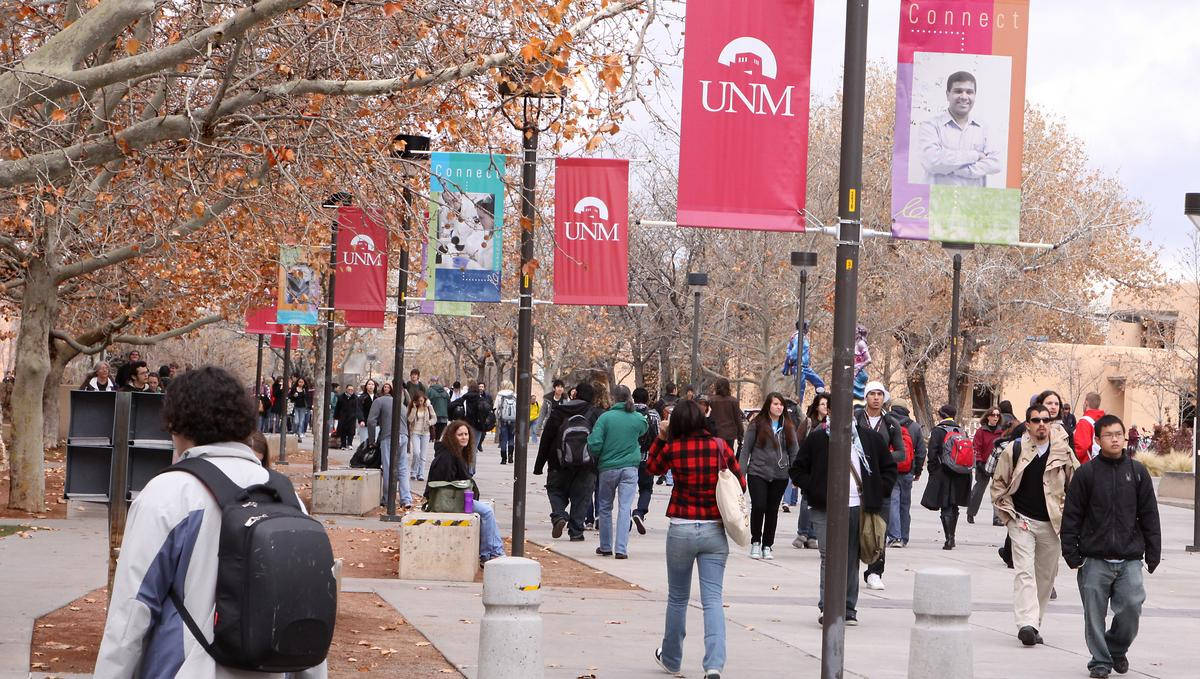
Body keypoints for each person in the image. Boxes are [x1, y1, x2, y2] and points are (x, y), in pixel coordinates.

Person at [95, 366, 326, 678]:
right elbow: (303, 600)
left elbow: (132, 611)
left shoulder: (168, 493)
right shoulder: (285, 494)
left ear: (177, 423)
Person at [645, 399, 745, 679]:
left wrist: (662, 438)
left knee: (677, 598)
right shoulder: (719, 446)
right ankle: (713, 664)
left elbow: (652, 468)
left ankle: (672, 658)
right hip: (714, 528)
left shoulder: (674, 448)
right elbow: (741, 483)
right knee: (713, 599)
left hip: (681, 526)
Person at [1061, 414, 1161, 679]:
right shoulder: (1086, 474)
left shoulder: (1138, 473)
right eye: (1109, 435)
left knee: (1131, 607)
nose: (1115, 439)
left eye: (1119, 434)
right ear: (1097, 440)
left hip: (1129, 558)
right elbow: (1072, 515)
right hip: (1094, 558)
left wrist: (1153, 551)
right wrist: (1071, 552)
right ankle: (1100, 662)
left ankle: (1116, 647)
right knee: (1094, 615)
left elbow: (1149, 513)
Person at [790, 392, 896, 625]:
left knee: (850, 558)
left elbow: (889, 470)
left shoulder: (869, 439)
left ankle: (848, 607)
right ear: (829, 413)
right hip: (825, 508)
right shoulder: (818, 439)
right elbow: (797, 470)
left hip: (858, 507)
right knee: (829, 557)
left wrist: (878, 491)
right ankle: (827, 606)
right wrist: (816, 489)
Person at [991, 403, 1079, 647]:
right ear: (1028, 425)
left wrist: (1073, 519)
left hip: (1052, 524)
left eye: (1046, 420)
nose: (1042, 424)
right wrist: (1008, 517)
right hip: (1022, 522)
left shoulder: (1063, 452)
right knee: (1024, 572)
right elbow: (998, 484)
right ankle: (1025, 624)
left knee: (1045, 577)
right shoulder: (1014, 449)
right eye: (1036, 420)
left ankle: (1034, 622)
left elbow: (1078, 486)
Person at [428, 421, 505, 564]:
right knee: (487, 511)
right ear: (452, 436)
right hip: (447, 500)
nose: (464, 437)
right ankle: (494, 552)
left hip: (455, 497)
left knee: (486, 509)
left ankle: (488, 552)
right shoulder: (447, 456)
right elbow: (444, 484)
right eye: (460, 435)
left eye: (466, 434)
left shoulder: (457, 453)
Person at [533, 382, 602, 541]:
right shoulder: (595, 414)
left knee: (555, 490)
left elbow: (546, 439)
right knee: (581, 496)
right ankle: (576, 531)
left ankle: (558, 516)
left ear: (575, 394)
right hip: (587, 465)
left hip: (558, 462)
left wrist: (539, 465)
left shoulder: (559, 411)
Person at [854, 381, 905, 589]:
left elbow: (901, 453)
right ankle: (849, 569)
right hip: (856, 479)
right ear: (865, 397)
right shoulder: (856, 419)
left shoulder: (891, 422)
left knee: (878, 528)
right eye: (872, 394)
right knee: (853, 525)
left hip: (880, 481)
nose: (876, 398)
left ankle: (875, 571)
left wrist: (881, 458)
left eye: (879, 394)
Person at [587, 386, 647, 559]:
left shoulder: (605, 418)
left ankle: (605, 546)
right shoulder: (638, 419)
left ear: (613, 398)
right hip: (630, 467)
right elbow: (643, 431)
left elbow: (595, 443)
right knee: (625, 506)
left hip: (608, 467)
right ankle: (621, 548)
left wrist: (598, 453)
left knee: (605, 506)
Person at [740, 392, 799, 560]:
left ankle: (767, 545)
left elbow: (794, 451)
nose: (779, 407)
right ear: (768, 405)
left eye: (781, 405)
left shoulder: (788, 426)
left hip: (780, 474)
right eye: (775, 404)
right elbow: (745, 451)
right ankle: (756, 542)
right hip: (757, 472)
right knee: (758, 506)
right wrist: (741, 474)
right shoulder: (757, 424)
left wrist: (796, 475)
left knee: (772, 510)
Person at [917, 70, 1001, 186]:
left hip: (975, 201)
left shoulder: (984, 128)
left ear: (975, 95)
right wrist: (975, 155)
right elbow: (931, 161)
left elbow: (996, 163)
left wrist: (956, 170)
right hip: (937, 200)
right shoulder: (930, 126)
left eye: (969, 92)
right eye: (958, 91)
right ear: (947, 94)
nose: (964, 96)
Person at [922, 404, 972, 550]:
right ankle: (953, 536)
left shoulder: (938, 430)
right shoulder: (961, 431)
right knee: (954, 506)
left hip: (944, 472)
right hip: (961, 473)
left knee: (945, 505)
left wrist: (933, 471)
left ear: (941, 415)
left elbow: (932, 452)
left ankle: (948, 539)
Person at [792, 393, 829, 550]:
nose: (825, 407)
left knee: (819, 501)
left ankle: (813, 535)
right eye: (822, 404)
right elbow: (797, 444)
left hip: (823, 469)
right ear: (816, 407)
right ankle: (803, 532)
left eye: (827, 404)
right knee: (807, 500)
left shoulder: (832, 424)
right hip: (809, 467)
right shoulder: (808, 423)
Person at [886, 401, 925, 548]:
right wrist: (918, 470)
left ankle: (894, 537)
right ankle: (904, 537)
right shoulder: (914, 427)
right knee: (905, 504)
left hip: (890, 469)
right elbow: (921, 451)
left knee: (893, 503)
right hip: (907, 470)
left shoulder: (887, 422)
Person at [368, 383, 410, 508]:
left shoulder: (378, 401)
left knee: (388, 467)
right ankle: (406, 499)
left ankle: (387, 498)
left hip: (389, 436)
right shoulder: (400, 404)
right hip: (404, 436)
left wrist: (371, 440)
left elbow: (371, 421)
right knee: (402, 468)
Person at [631, 387, 661, 533]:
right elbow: (660, 436)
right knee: (646, 488)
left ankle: (626, 519)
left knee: (627, 490)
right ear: (647, 400)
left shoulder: (627, 413)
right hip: (647, 458)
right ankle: (640, 512)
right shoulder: (653, 415)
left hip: (628, 458)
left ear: (632, 398)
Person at [968, 407, 1005, 524]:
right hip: (983, 464)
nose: (995, 417)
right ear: (988, 416)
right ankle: (971, 513)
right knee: (978, 490)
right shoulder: (981, 431)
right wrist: (979, 462)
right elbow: (976, 447)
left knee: (998, 491)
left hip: (998, 464)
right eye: (993, 415)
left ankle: (997, 518)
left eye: (997, 415)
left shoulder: (1002, 432)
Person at [707, 378, 744, 452]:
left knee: (717, 455)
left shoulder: (712, 400)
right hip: (730, 434)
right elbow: (738, 420)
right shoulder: (734, 401)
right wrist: (740, 434)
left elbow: (708, 417)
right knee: (729, 455)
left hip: (716, 433)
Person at [408, 390, 436, 481]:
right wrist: (414, 409)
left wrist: (430, 422)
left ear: (424, 400)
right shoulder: (413, 408)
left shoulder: (428, 407)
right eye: (419, 400)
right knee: (416, 453)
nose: (420, 402)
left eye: (422, 400)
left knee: (423, 455)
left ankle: (420, 474)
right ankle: (413, 472)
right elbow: (410, 420)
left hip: (425, 433)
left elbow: (434, 418)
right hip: (415, 432)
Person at [1073, 392, 1105, 464]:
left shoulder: (1084, 422)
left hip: (1087, 465)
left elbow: (1081, 447)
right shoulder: (1104, 420)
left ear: (1086, 402)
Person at [495, 381, 518, 465]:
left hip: (503, 420)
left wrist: (497, 418)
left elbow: (495, 408)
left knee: (503, 439)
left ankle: (503, 458)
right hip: (513, 420)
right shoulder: (515, 395)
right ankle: (511, 456)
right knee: (511, 438)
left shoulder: (500, 395)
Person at [426, 376, 451, 442]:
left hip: (434, 415)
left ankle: (434, 441)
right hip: (444, 415)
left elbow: (425, 402)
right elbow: (449, 403)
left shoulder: (429, 391)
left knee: (434, 433)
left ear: (431, 382)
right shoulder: (445, 392)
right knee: (441, 436)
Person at [334, 384, 358, 449]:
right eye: (349, 389)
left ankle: (350, 444)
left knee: (351, 431)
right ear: (346, 389)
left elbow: (357, 408)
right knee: (343, 431)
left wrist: (356, 415)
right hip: (343, 416)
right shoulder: (341, 397)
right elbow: (337, 407)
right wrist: (336, 417)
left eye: (352, 390)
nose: (350, 391)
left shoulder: (355, 398)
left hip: (352, 417)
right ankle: (343, 444)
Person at [290, 376, 312, 443]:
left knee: (301, 421)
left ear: (304, 383)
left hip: (303, 407)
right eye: (299, 382)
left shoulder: (305, 390)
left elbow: (308, 398)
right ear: (297, 382)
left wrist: (309, 407)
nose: (301, 383)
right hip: (296, 407)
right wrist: (294, 396)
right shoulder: (294, 389)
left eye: (302, 382)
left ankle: (299, 434)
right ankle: (295, 431)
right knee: (296, 421)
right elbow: (290, 397)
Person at [357, 379, 378, 446]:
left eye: (372, 384)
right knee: (364, 442)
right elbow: (359, 410)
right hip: (365, 422)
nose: (371, 386)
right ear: (366, 386)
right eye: (369, 384)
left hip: (376, 423)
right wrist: (361, 420)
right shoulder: (362, 397)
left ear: (375, 386)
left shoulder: (377, 397)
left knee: (375, 442)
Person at [852, 325, 871, 400]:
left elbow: (869, 359)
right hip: (853, 373)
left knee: (856, 396)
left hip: (858, 374)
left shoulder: (861, 344)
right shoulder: (855, 344)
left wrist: (858, 367)